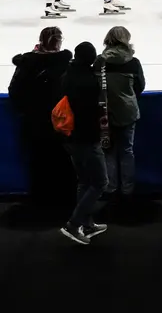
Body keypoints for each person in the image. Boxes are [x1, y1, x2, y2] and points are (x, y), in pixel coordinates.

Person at [9, 26, 74, 205]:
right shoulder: (65, 64)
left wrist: (27, 110)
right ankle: (63, 200)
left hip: (34, 122)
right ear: (59, 42)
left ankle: (40, 200)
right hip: (60, 123)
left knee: (37, 161)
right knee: (61, 160)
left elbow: (14, 92)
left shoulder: (26, 63)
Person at [59, 42, 109, 245]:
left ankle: (87, 223)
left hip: (70, 136)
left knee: (85, 181)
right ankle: (73, 223)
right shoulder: (88, 82)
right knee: (100, 182)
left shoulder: (68, 74)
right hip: (86, 137)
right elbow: (94, 108)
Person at [99, 26, 145, 198]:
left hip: (105, 113)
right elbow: (140, 86)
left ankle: (110, 188)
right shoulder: (133, 62)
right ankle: (128, 189)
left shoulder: (99, 62)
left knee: (108, 150)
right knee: (127, 150)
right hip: (128, 112)